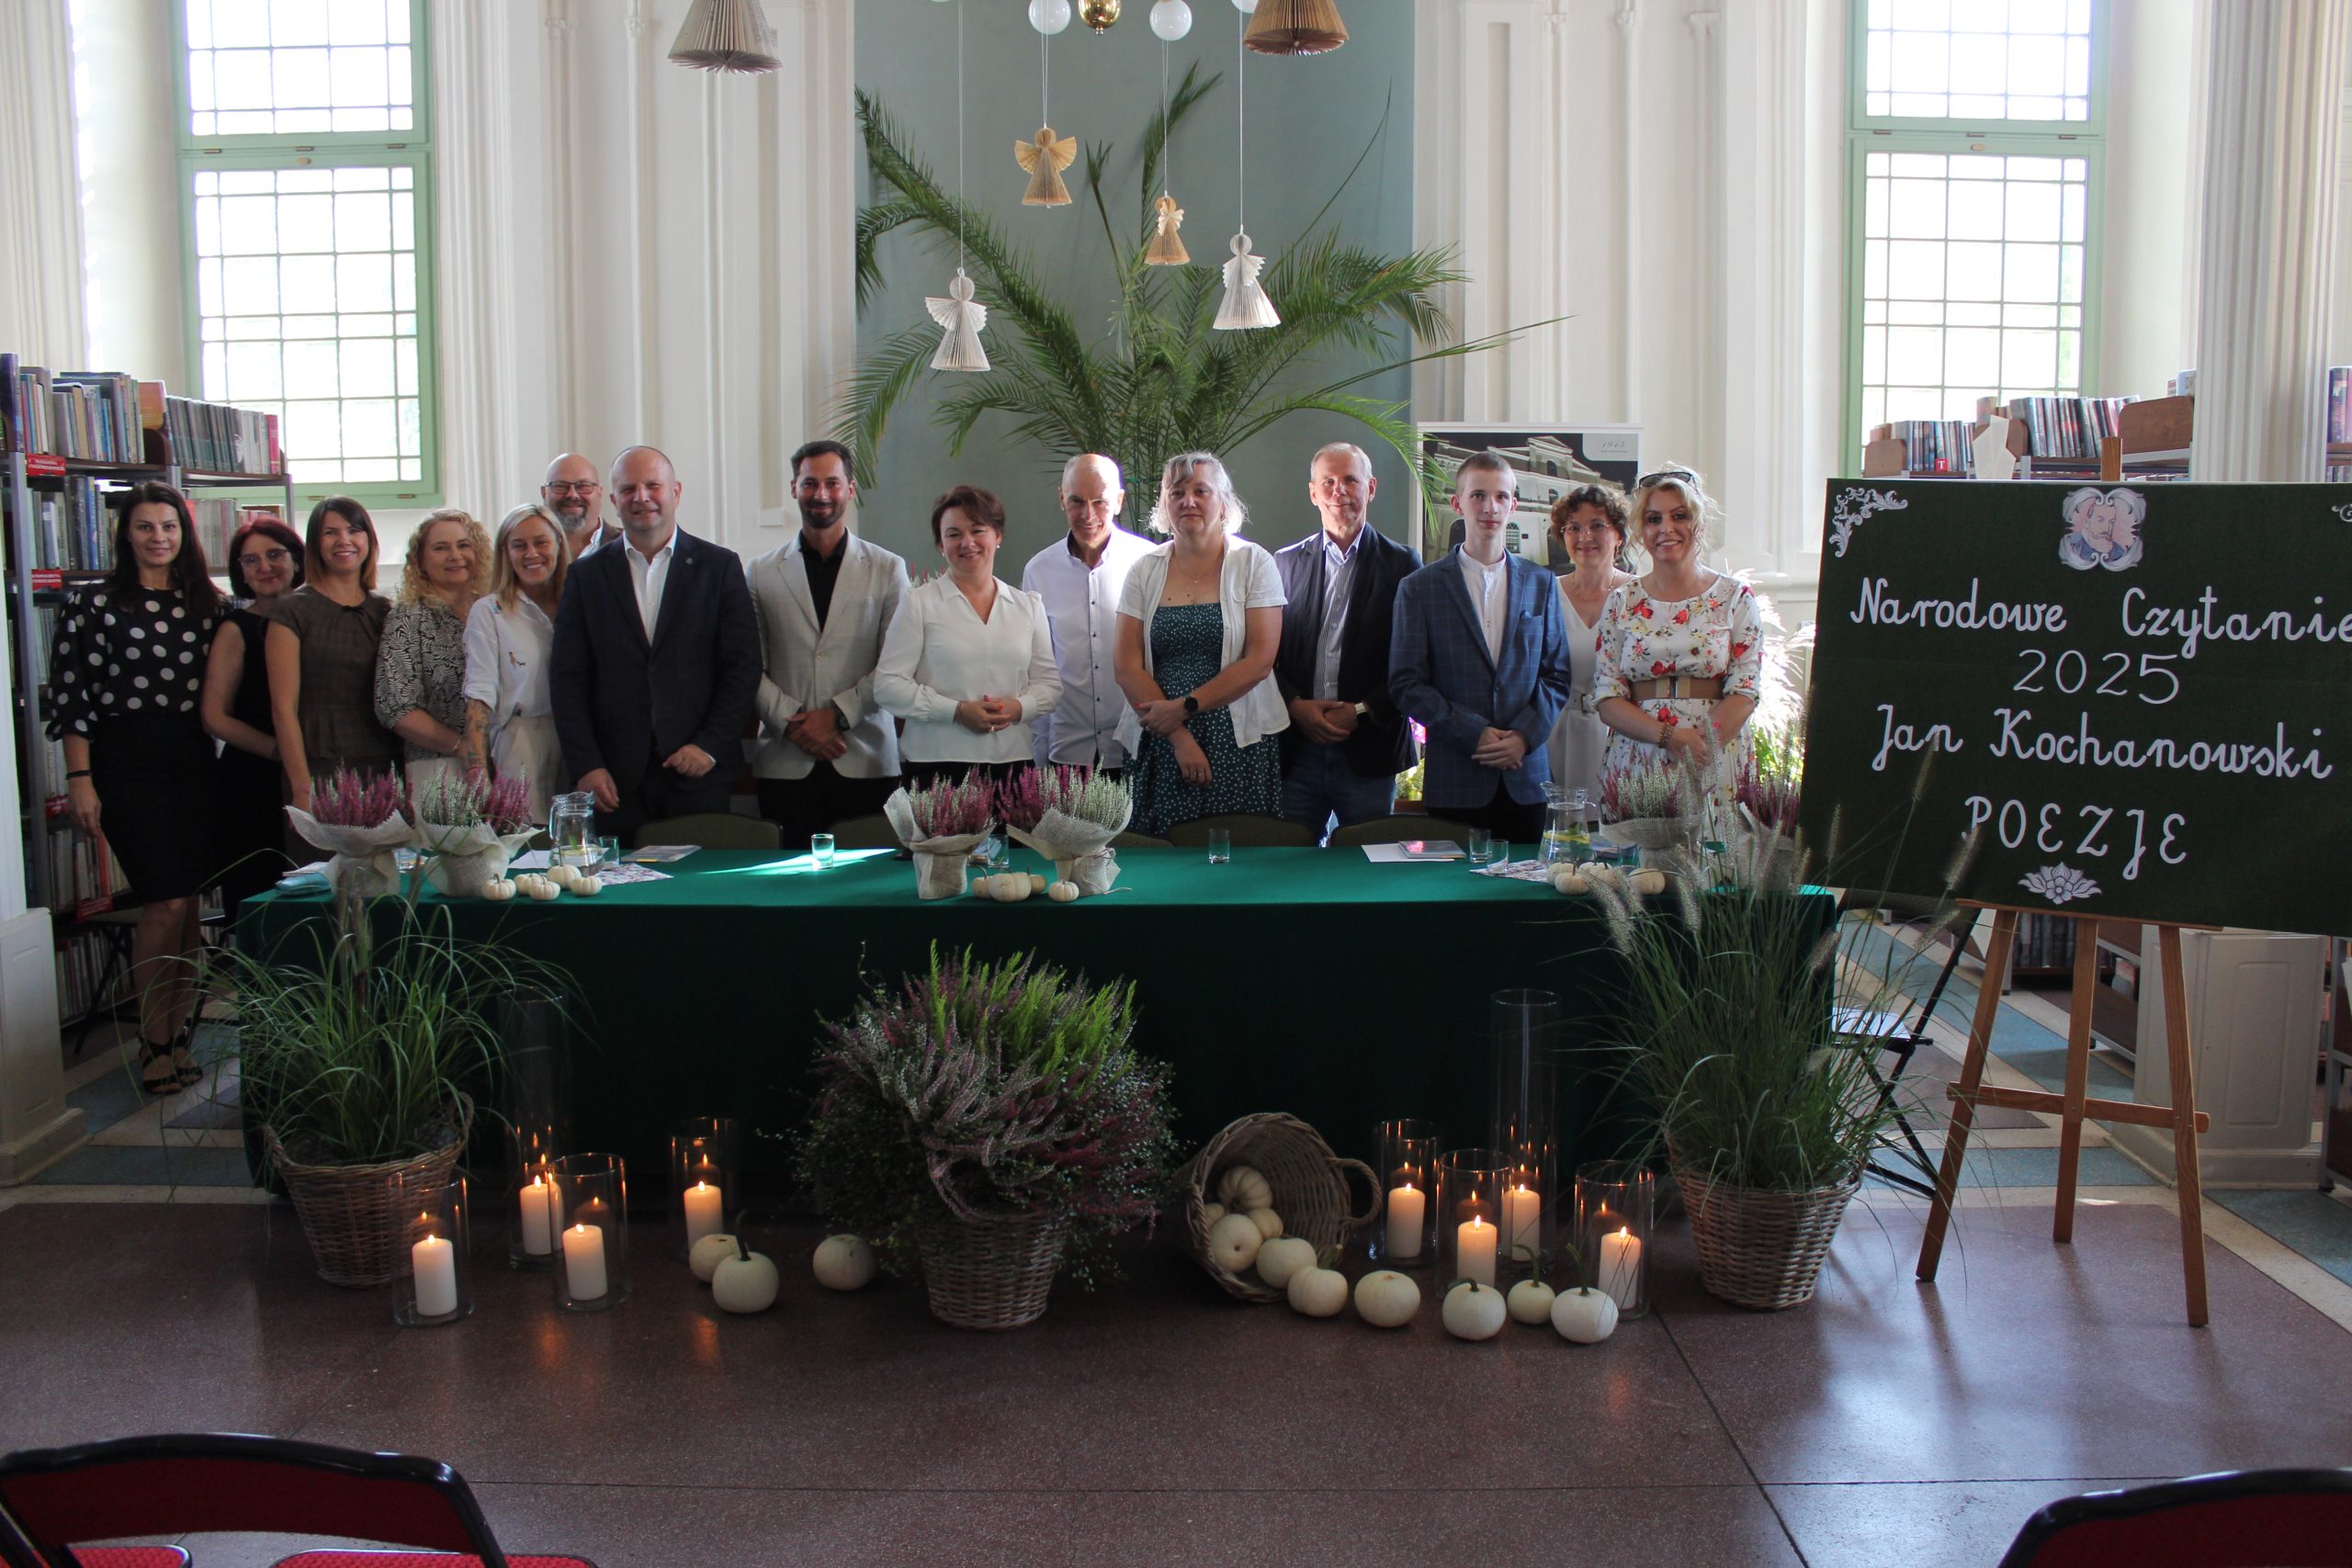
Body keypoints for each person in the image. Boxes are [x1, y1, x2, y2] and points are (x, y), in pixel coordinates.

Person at [48, 483, 223, 1094]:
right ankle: (152, 1038)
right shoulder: (93, 605)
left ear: (184, 533)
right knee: (164, 900)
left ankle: (180, 1034)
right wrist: (79, 778)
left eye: (169, 526)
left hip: (194, 762)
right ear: (127, 534)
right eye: (145, 526)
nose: (158, 537)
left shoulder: (207, 603)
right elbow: (72, 700)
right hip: (125, 762)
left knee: (190, 905)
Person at [548, 446, 761, 841]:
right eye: (628, 489)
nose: (641, 497)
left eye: (653, 486)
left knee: (697, 894)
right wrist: (587, 764)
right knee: (620, 897)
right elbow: (567, 680)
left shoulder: (720, 567)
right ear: (613, 500)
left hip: (697, 769)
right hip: (612, 780)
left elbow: (743, 667)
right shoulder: (585, 577)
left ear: (675, 492)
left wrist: (709, 746)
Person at [1388, 451, 1571, 845]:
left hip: (1527, 778)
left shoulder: (1542, 583)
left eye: (1502, 497)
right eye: (1479, 496)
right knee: (1454, 900)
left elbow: (1556, 675)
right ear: (1458, 503)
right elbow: (1405, 683)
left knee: (1525, 898)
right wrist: (1474, 733)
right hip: (1457, 777)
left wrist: (1522, 736)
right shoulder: (1419, 588)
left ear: (1513, 505)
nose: (1491, 507)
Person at [1114, 452, 1287, 836]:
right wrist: (1177, 733)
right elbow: (1127, 665)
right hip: (1159, 735)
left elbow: (1260, 660)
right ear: (1164, 506)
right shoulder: (1144, 569)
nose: (1187, 501)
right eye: (1176, 492)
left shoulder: (1254, 562)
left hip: (1236, 741)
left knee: (1235, 862)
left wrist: (1185, 707)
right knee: (1160, 866)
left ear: (1223, 504)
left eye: (1200, 491)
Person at [748, 440, 910, 844]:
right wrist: (795, 723)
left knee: (868, 894)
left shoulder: (887, 568)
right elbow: (748, 664)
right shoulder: (760, 571)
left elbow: (897, 661)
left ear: (850, 489)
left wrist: (836, 715)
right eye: (810, 483)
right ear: (793, 489)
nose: (821, 494)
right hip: (785, 761)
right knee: (787, 895)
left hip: (867, 758)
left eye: (832, 483)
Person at [1271, 443, 1419, 839]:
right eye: (1329, 482)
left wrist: (1361, 711)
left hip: (1368, 751)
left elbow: (1416, 662)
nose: (1340, 491)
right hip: (1296, 748)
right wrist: (1295, 706)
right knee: (1287, 868)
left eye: (1350, 480)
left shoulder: (1405, 565)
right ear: (1313, 492)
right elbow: (1262, 655)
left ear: (1370, 488)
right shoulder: (1281, 564)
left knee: (1364, 872)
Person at [1593, 466, 1765, 800]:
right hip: (1639, 756)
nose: (1666, 528)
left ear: (1698, 523)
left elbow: (1746, 688)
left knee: (1713, 852)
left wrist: (1695, 751)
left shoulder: (1735, 597)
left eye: (1679, 516)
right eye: (1654, 519)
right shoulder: (1621, 601)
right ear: (1641, 531)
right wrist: (1670, 737)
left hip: (1715, 754)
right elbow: (1607, 696)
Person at [875, 484, 1060, 789]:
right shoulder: (918, 604)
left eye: (978, 530)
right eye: (954, 534)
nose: (967, 543)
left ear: (997, 536)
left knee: (1010, 840)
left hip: (1012, 764)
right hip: (936, 766)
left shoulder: (1027, 606)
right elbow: (888, 687)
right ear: (940, 544)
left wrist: (1016, 708)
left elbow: (1050, 686)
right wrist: (957, 712)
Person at [1019, 453, 1155, 774]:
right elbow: (1034, 670)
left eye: (1100, 502)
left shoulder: (1149, 562)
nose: (1087, 514)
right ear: (1061, 499)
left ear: (1119, 501)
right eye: (1077, 501)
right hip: (1065, 752)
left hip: (1137, 748)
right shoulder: (1039, 571)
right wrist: (1037, 756)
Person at [266, 497, 401, 813]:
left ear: (368, 539)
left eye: (354, 530)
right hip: (319, 771)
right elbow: (283, 709)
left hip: (383, 768)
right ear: (315, 543)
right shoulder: (291, 611)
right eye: (331, 532)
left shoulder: (384, 611)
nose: (344, 541)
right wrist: (301, 788)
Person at [200, 515, 304, 915]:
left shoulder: (315, 616)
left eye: (274, 554)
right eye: (250, 560)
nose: (264, 567)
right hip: (253, 780)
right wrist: (282, 751)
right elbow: (214, 717)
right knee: (260, 898)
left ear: (296, 558)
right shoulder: (236, 628)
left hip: (318, 769)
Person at [461, 503, 571, 822]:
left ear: (558, 545)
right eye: (518, 545)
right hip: (522, 736)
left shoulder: (579, 602)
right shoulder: (490, 611)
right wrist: (477, 770)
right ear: (505, 553)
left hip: (579, 737)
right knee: (528, 846)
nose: (531, 553)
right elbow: (479, 695)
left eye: (541, 542)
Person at [376, 507, 491, 798]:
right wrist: (463, 747)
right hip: (440, 770)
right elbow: (396, 708)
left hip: (506, 763)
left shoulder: (495, 610)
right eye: (441, 548)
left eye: (463, 545)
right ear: (421, 561)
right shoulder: (408, 618)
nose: (455, 555)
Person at [1544, 485, 1639, 807]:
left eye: (1597, 525)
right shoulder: (1544, 594)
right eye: (1573, 528)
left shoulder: (1641, 596)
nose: (1585, 536)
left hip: (1621, 734)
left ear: (1620, 535)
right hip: (1553, 736)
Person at [544, 451, 618, 559]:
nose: (572, 494)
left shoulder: (628, 546)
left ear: (600, 492)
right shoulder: (532, 551)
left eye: (583, 486)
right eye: (560, 486)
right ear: (544, 493)